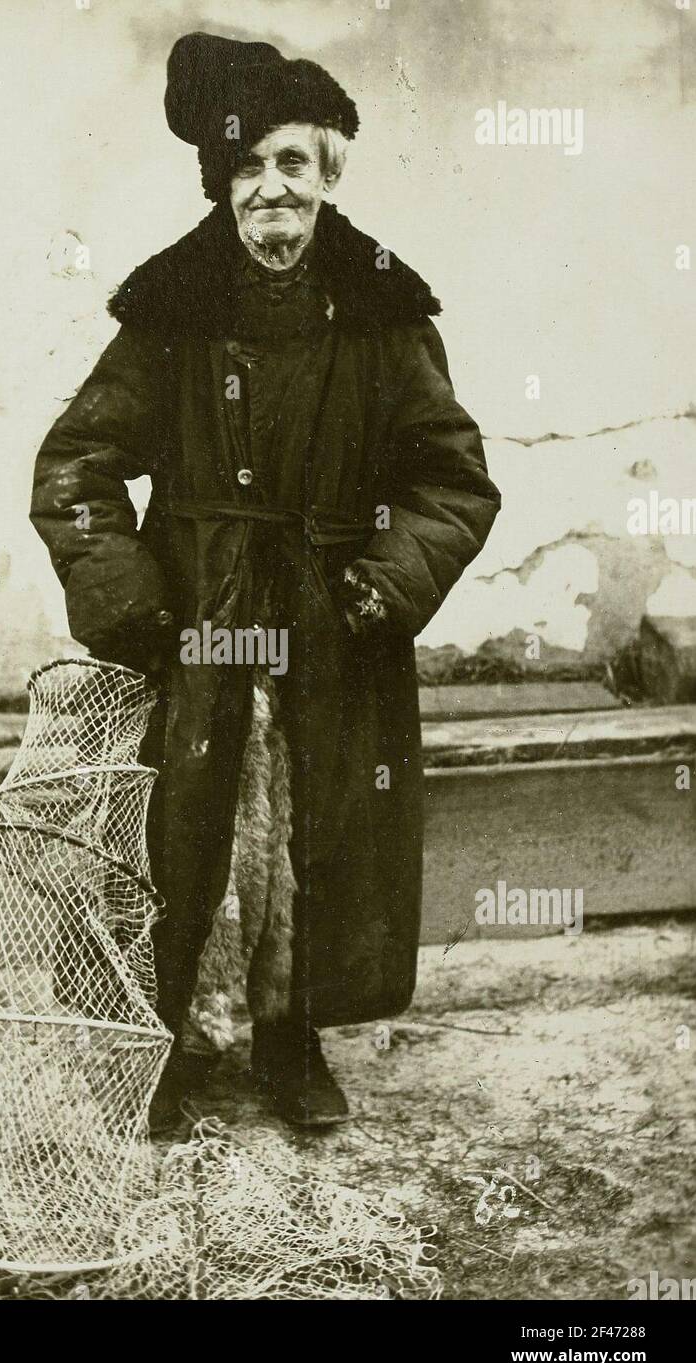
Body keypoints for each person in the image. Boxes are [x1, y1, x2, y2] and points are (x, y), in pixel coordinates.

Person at [30, 32, 501, 1131]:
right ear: (221, 183)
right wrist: (131, 595)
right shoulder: (172, 312)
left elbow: (452, 480)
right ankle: (163, 1042)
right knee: (183, 825)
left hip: (330, 624)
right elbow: (78, 468)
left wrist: (379, 586)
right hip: (197, 622)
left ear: (330, 176)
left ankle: (293, 1042)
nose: (272, 190)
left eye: (295, 162)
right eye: (249, 167)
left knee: (309, 825)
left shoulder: (384, 318)